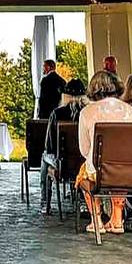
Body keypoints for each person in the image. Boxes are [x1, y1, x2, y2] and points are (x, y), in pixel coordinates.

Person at [75, 70, 132, 234]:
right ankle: (117, 220)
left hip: (98, 170)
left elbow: (84, 149)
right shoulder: (130, 111)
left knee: (84, 175)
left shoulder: (87, 112)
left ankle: (96, 220)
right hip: (129, 171)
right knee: (120, 168)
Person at [39, 78, 86, 213]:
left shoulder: (57, 113)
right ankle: (83, 202)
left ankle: (45, 203)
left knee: (45, 157)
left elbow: (50, 145)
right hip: (84, 162)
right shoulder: (87, 113)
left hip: (62, 164)